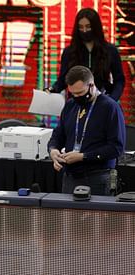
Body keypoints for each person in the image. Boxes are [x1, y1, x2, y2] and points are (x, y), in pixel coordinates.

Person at [47, 65, 125, 196]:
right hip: (70, 176)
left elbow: (116, 148)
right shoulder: (71, 105)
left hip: (98, 177)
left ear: (91, 85)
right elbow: (58, 134)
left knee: (96, 216)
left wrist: (83, 156)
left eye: (80, 93)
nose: (76, 97)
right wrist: (53, 150)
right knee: (68, 216)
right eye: (73, 93)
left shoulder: (110, 107)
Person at [47, 8, 125, 101]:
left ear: (95, 27)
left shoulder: (110, 50)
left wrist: (112, 99)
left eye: (88, 27)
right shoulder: (69, 52)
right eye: (81, 27)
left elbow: (119, 80)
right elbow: (63, 80)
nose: (84, 30)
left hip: (102, 101)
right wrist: (52, 90)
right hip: (76, 102)